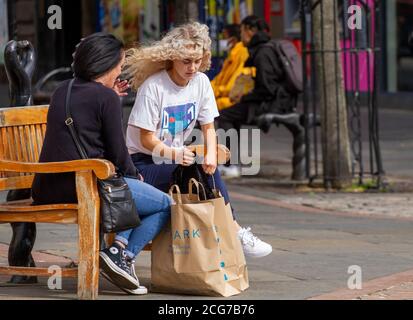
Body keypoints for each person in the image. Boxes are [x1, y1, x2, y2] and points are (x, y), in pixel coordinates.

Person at [31, 33, 171, 295]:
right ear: (106, 65)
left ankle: (115, 251)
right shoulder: (104, 98)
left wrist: (110, 97)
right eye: (119, 65)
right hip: (83, 186)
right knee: (164, 204)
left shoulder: (62, 89)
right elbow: (118, 152)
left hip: (47, 186)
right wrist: (134, 174)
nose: (120, 70)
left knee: (134, 195)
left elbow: (84, 122)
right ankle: (123, 256)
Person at [123, 21, 272, 259]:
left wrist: (211, 154)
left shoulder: (201, 82)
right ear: (172, 57)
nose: (193, 67)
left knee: (205, 168)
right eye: (186, 61)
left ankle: (228, 233)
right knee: (199, 172)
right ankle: (233, 232)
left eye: (198, 60)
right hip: (142, 164)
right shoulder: (154, 87)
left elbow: (209, 127)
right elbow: (145, 138)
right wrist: (175, 154)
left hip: (174, 160)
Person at [217, 15, 295, 175]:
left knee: (225, 115)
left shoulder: (262, 53)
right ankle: (230, 162)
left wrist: (244, 98)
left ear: (250, 31)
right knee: (231, 113)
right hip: (276, 100)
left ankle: (228, 165)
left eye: (242, 31)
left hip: (271, 104)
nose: (241, 35)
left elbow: (267, 89)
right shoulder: (264, 48)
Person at [211, 24, 252, 111]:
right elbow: (220, 78)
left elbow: (232, 86)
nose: (222, 40)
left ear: (233, 39)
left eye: (224, 36)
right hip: (223, 94)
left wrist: (215, 91)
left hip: (230, 97)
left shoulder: (241, 53)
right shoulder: (233, 54)